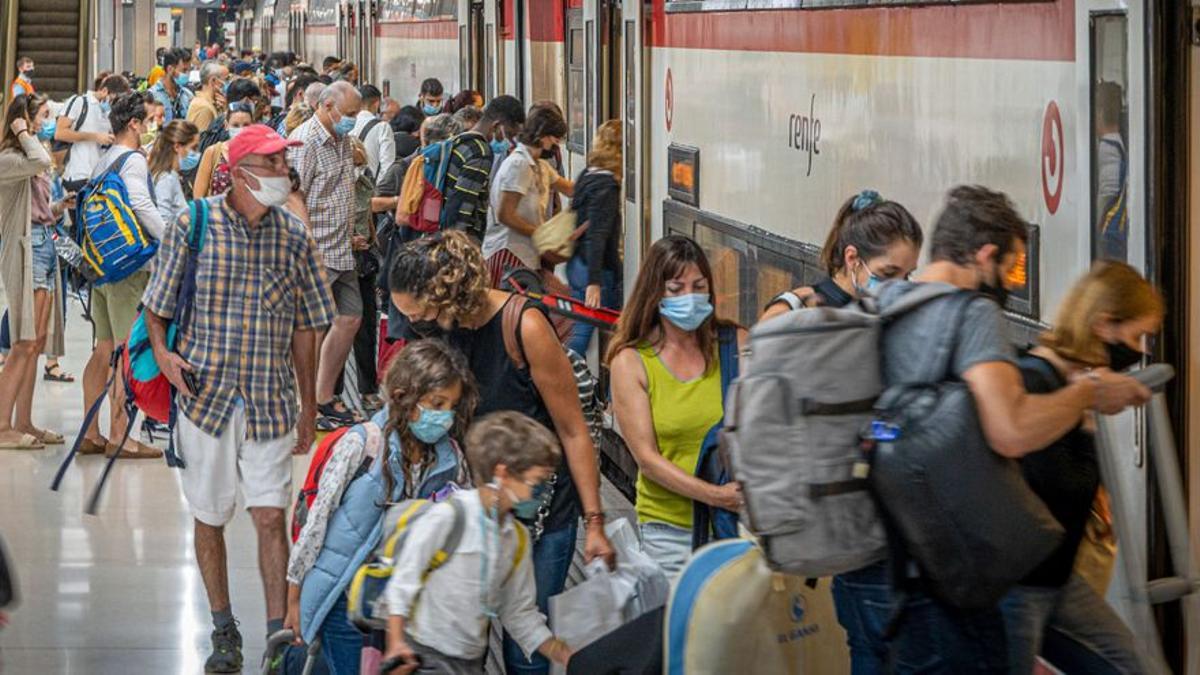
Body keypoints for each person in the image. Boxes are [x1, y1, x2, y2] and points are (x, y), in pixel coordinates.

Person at [837, 185, 1152, 673]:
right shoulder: (973, 313)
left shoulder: (892, 301)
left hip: (894, 574)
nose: (1009, 282)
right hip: (961, 584)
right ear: (985, 255)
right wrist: (1086, 393)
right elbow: (1011, 429)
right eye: (1010, 268)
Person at [142, 123, 336, 674]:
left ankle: (277, 635)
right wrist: (165, 357)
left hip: (270, 403)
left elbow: (308, 327)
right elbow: (156, 310)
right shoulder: (192, 226)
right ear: (244, 172)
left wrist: (309, 404)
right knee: (210, 515)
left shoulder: (294, 237)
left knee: (271, 517)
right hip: (205, 401)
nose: (285, 174)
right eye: (275, 164)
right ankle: (223, 628)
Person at [387, 231, 615, 675]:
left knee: (524, 646)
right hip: (480, 511)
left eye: (421, 314)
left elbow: (572, 430)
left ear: (446, 296)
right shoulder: (440, 330)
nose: (416, 326)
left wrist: (595, 523)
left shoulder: (524, 326)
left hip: (544, 512)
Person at [999, 261, 1159, 675]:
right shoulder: (1037, 384)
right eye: (1136, 335)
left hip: (1058, 580)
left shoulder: (1074, 388)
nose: (1139, 350)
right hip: (1017, 587)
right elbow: (1054, 487)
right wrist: (1086, 403)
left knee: (1133, 666)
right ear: (1104, 324)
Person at [284, 340, 477, 673]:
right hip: (344, 601)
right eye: (436, 403)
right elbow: (316, 522)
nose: (444, 416)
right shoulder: (362, 444)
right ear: (403, 396)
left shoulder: (451, 459)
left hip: (405, 608)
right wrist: (294, 597)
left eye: (451, 406)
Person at [381, 411, 574, 674]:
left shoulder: (516, 539)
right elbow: (403, 582)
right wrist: (395, 645)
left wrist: (559, 651)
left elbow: (518, 612)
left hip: (469, 663)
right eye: (536, 483)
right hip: (423, 657)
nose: (539, 494)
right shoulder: (450, 517)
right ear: (503, 474)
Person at [605, 236, 743, 574]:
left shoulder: (735, 346)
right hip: (669, 535)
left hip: (737, 529)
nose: (690, 298)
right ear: (655, 295)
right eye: (676, 288)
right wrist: (716, 495)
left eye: (699, 286)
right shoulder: (632, 362)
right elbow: (648, 461)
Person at [76, 92, 166, 460]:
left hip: (101, 265)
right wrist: (172, 237)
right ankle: (120, 436)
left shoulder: (104, 159)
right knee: (125, 352)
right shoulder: (133, 160)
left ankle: (90, 432)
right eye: (148, 121)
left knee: (102, 350)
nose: (150, 128)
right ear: (134, 124)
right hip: (128, 268)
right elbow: (141, 204)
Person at [294, 81, 365, 428]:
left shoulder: (342, 139)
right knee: (314, 328)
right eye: (349, 114)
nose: (351, 121)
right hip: (317, 248)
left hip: (342, 248)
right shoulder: (305, 142)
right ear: (326, 106)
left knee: (350, 318)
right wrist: (306, 241)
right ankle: (306, 402)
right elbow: (294, 195)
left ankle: (324, 396)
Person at [0, 94, 66, 450]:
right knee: (21, 342)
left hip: (44, 243)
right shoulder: (10, 159)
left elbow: (40, 206)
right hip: (25, 248)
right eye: (39, 117)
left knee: (36, 342)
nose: (45, 124)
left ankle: (23, 420)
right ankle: (1, 425)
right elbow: (40, 159)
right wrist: (23, 134)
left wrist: (59, 206)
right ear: (20, 121)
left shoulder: (26, 159)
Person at [760, 190, 923, 321]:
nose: (899, 286)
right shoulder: (792, 311)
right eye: (888, 274)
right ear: (852, 258)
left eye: (907, 275)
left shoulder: (895, 318)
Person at [482, 105, 567, 287]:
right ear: (542, 136)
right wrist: (540, 233)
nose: (556, 147)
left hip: (527, 254)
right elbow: (506, 214)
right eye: (554, 140)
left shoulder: (540, 166)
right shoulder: (518, 164)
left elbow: (568, 188)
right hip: (509, 252)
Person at [566, 120, 625, 356]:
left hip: (576, 264)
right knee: (616, 333)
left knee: (582, 329)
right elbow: (597, 235)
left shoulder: (587, 175)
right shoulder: (607, 186)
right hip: (598, 271)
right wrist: (595, 282)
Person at [442, 95, 526, 243]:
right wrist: (458, 250)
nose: (512, 142)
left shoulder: (461, 140)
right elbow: (462, 207)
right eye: (510, 135)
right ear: (497, 126)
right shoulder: (481, 152)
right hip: (460, 241)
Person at [57, 74, 129, 192]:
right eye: (113, 99)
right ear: (104, 90)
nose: (114, 103)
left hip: (100, 177)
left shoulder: (110, 112)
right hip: (78, 175)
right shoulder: (80, 102)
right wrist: (94, 137)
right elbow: (60, 133)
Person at [193, 99, 256, 198]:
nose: (241, 129)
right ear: (226, 126)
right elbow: (198, 196)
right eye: (235, 125)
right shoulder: (213, 152)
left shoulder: (258, 154)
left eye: (246, 125)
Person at [1095, 81, 1127, 263]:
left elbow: (1106, 198)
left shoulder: (1106, 149)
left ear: (1099, 113)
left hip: (1107, 240)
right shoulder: (1120, 144)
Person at [148, 120, 200, 226]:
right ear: (177, 147)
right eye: (193, 148)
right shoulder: (166, 179)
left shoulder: (171, 175)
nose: (197, 153)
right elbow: (163, 221)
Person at [352, 84, 396, 179]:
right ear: (377, 103)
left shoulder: (347, 124)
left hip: (348, 186)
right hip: (370, 187)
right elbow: (388, 163)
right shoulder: (383, 127)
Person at [149, 48, 195, 123]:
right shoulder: (153, 95)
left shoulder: (187, 95)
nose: (187, 75)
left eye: (188, 71)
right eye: (184, 70)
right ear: (170, 69)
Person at [187, 61, 230, 131]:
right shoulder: (203, 107)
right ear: (213, 80)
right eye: (226, 79)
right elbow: (203, 140)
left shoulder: (214, 103)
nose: (225, 83)